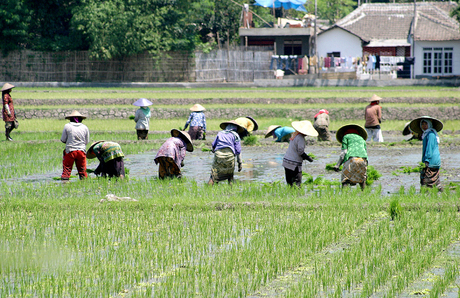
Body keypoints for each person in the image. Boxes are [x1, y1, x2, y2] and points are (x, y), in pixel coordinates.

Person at [409, 116, 443, 190]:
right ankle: (439, 193)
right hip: (433, 161)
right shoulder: (426, 134)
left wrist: (427, 160)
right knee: (433, 180)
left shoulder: (430, 134)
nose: (424, 126)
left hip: (431, 161)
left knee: (426, 180)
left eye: (426, 124)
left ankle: (427, 194)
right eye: (422, 124)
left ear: (430, 124)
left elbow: (429, 148)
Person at [333, 124, 368, 190]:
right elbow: (365, 152)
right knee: (362, 179)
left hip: (352, 159)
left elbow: (344, 152)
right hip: (363, 160)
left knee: (345, 179)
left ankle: (344, 196)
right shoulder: (362, 139)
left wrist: (337, 165)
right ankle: (365, 194)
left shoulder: (346, 137)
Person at [282, 121, 317, 187]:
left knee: (290, 183)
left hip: (286, 161)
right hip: (294, 164)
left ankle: (290, 195)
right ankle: (298, 196)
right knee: (297, 182)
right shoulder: (300, 138)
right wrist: (308, 158)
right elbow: (300, 151)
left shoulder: (294, 135)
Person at [208, 121, 245, 185]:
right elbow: (238, 151)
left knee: (213, 175)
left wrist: (213, 150)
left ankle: (209, 189)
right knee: (230, 176)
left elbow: (214, 145)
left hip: (218, 155)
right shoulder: (235, 135)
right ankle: (231, 190)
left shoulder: (220, 133)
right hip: (229, 156)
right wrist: (240, 163)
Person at [60, 110, 90, 180]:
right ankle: (84, 184)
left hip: (70, 151)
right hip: (81, 151)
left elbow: (63, 139)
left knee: (66, 172)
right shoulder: (85, 127)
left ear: (71, 119)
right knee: (83, 172)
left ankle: (65, 185)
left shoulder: (67, 126)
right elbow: (86, 141)